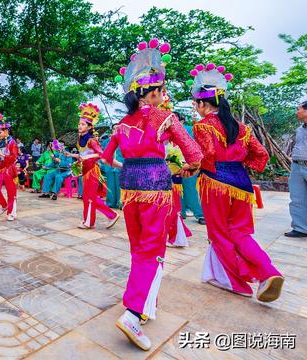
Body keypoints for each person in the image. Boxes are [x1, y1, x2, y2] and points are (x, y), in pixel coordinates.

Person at [102, 39, 203, 351]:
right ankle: (133, 313)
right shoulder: (165, 117)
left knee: (138, 249)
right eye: (160, 91)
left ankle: (144, 305)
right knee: (154, 251)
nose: (162, 96)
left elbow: (107, 157)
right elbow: (195, 152)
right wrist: (188, 166)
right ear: (155, 92)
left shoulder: (122, 124)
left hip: (130, 189)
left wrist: (125, 164)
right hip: (157, 186)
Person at [190, 63, 283, 302]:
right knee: (241, 233)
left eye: (196, 104)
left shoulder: (202, 125)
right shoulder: (242, 128)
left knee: (220, 234)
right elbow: (261, 155)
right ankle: (268, 272)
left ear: (203, 104)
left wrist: (191, 167)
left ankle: (237, 282)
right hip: (242, 184)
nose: (196, 108)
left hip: (215, 183)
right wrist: (238, 164)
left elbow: (207, 155)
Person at [70, 104, 119, 229]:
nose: (80, 126)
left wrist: (86, 158)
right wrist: (72, 156)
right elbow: (83, 154)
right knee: (88, 197)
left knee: (89, 197)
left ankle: (90, 222)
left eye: (83, 124)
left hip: (92, 171)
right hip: (85, 170)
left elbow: (100, 154)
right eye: (79, 124)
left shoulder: (91, 140)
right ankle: (110, 215)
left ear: (90, 126)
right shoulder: (80, 138)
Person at [174, 112, 205, 225]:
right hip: (174, 164)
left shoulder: (190, 129)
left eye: (175, 118)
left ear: (182, 121)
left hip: (189, 163)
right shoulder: (167, 131)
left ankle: (200, 214)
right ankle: (180, 212)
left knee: (190, 188)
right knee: (177, 188)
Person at [0, 111, 19, 221]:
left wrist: (2, 154)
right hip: (1, 169)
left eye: (0, 132)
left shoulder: (12, 143)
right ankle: (4, 205)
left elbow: (13, 157)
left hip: (10, 170)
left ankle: (12, 212)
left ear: (6, 131)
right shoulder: (0, 143)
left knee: (11, 192)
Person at [285, 101, 307, 238]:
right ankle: (300, 228)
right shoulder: (299, 129)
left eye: (298, 109)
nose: (296, 111)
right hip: (297, 166)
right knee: (297, 198)